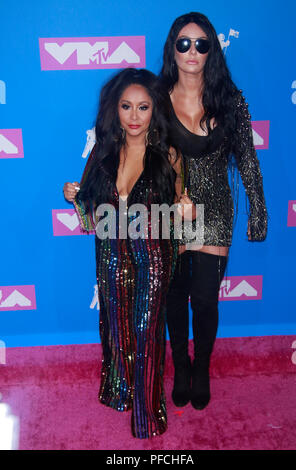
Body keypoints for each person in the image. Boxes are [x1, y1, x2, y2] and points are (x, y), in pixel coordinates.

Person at [63, 68, 190, 439]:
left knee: (147, 333)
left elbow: (181, 210)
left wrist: (184, 209)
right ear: (114, 110)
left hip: (153, 255)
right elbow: (89, 218)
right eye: (126, 106)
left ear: (155, 110)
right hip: (110, 255)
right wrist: (75, 198)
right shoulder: (104, 152)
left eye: (143, 107)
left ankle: (148, 414)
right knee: (115, 329)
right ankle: (119, 391)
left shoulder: (169, 154)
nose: (134, 116)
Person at [159, 12, 268, 410]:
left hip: (216, 210)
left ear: (212, 50)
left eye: (201, 44)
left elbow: (248, 159)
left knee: (205, 300)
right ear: (173, 48)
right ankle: (181, 366)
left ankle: (201, 366)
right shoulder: (157, 97)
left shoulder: (230, 98)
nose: (192, 52)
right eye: (184, 43)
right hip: (169, 213)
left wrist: (258, 210)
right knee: (174, 298)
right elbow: (144, 156)